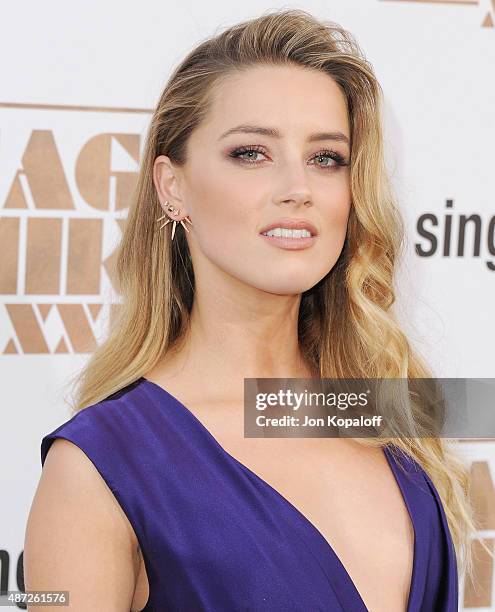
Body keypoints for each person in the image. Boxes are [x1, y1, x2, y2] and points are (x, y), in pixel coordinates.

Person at [24, 8, 482, 611]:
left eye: (326, 158)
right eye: (251, 153)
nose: (299, 187)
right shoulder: (100, 470)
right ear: (173, 186)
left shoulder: (383, 417)